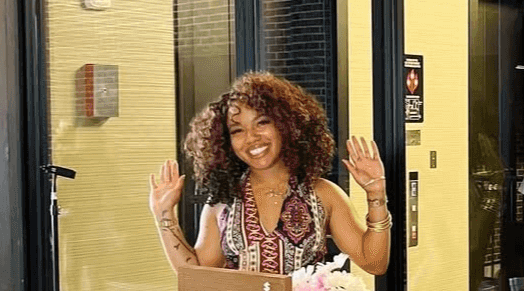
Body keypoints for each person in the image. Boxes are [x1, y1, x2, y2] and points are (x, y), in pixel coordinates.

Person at [150, 72, 390, 277]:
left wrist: (376, 194)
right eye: (237, 130)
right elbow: (197, 276)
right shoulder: (222, 203)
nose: (251, 138)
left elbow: (374, 263)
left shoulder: (323, 194)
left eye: (262, 123)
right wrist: (164, 214)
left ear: (285, 124)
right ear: (225, 142)